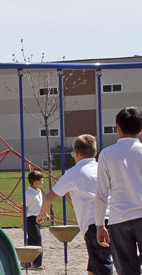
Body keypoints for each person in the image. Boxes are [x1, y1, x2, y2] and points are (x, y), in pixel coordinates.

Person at [37, 134, 113, 275]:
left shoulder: (74, 172)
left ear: (76, 154)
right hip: (116, 220)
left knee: (102, 265)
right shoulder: (104, 169)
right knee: (94, 265)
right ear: (95, 153)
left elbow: (49, 197)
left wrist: (41, 214)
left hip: (95, 224)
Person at [96, 106, 142, 274]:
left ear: (118, 128)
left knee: (127, 270)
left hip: (119, 219)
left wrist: (100, 224)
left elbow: (101, 194)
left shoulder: (107, 154)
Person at [24, 171, 43, 269]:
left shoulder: (38, 192)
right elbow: (24, 208)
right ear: (35, 182)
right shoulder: (29, 194)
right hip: (30, 219)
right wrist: (23, 223)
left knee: (32, 240)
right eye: (41, 181)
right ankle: (37, 263)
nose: (43, 182)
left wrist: (44, 214)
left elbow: (39, 205)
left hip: (37, 218)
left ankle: (27, 261)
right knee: (37, 240)